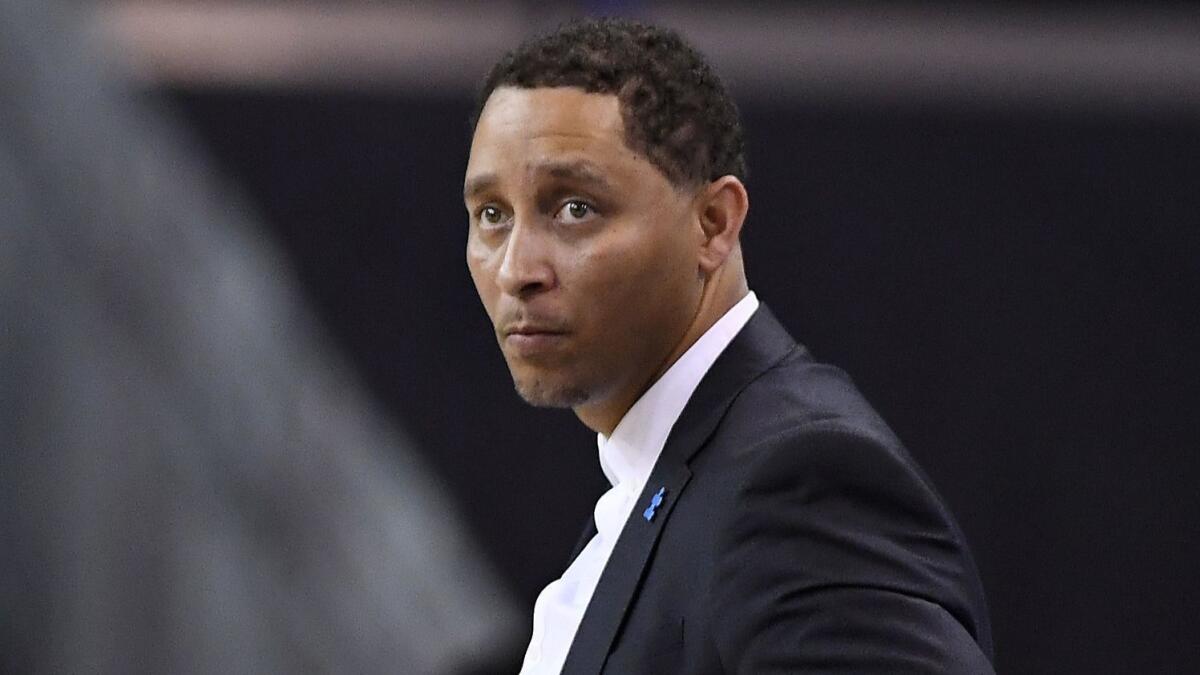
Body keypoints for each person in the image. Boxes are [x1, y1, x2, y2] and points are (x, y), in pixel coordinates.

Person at [464, 17, 994, 674]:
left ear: (713, 224)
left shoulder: (795, 482)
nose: (516, 267)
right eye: (492, 214)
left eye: (574, 208)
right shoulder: (668, 477)